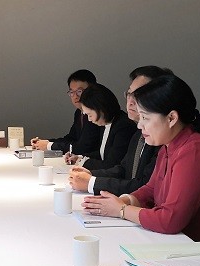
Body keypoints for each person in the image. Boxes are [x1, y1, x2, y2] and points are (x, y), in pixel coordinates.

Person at [81, 74, 200, 264]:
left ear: (172, 118)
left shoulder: (196, 152)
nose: (139, 125)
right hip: (188, 249)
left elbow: (170, 220)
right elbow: (151, 189)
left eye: (145, 118)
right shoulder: (170, 146)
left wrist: (122, 210)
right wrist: (123, 200)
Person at [68, 66, 170, 195]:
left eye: (139, 95)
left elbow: (144, 186)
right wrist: (91, 174)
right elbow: (124, 168)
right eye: (129, 94)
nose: (130, 101)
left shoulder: (161, 137)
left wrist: (92, 182)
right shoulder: (138, 133)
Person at [63, 83, 135, 170]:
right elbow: (103, 154)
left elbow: (112, 163)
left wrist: (82, 162)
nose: (89, 119)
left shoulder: (123, 127)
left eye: (89, 115)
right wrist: (79, 157)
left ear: (101, 109)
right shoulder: (106, 123)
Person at [30, 69, 104, 154]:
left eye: (79, 91)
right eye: (71, 92)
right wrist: (45, 142)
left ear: (92, 90)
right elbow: (71, 138)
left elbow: (84, 147)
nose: (75, 96)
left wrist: (49, 145)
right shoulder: (78, 112)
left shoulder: (96, 115)